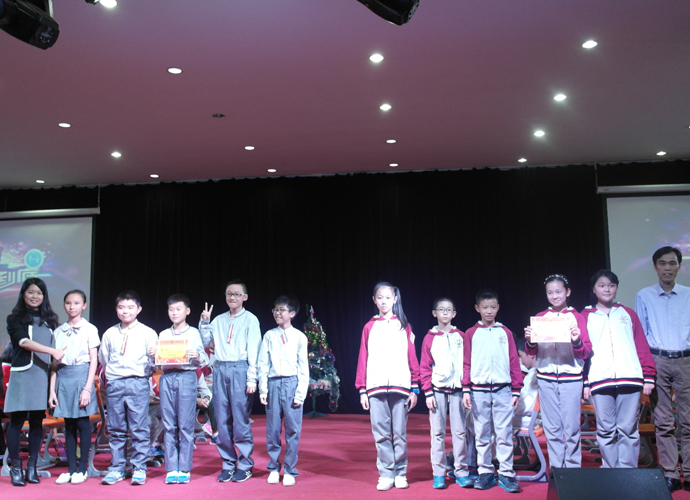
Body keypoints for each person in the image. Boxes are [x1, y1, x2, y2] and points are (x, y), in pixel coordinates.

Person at [581, 269, 655, 468]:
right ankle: (611, 472)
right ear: (594, 289)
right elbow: (583, 352)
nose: (607, 289)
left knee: (628, 429)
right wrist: (585, 381)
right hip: (600, 380)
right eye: (602, 285)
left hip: (630, 378)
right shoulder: (585, 316)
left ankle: (627, 473)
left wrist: (648, 376)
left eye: (611, 285)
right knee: (605, 430)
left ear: (616, 288)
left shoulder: (628, 313)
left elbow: (641, 345)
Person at [355, 282, 420, 491]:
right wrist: (362, 389)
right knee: (381, 433)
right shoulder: (369, 326)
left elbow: (412, 356)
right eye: (380, 297)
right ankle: (386, 473)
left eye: (388, 297)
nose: (384, 301)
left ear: (395, 299)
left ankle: (400, 473)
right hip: (375, 386)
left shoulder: (404, 326)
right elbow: (363, 358)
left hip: (401, 386)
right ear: (374, 300)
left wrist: (415, 387)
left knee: (399, 433)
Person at [635, 246, 690, 492]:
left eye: (672, 263)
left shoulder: (688, 295)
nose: (668, 268)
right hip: (657, 359)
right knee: (663, 421)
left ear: (679, 266)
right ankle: (670, 472)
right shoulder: (644, 295)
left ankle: (689, 472)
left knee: (688, 420)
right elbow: (642, 334)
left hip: (686, 359)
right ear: (655, 267)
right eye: (663, 263)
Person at [524, 274, 591, 469]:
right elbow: (531, 351)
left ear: (568, 292)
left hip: (571, 378)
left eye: (559, 291)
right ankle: (557, 471)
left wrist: (576, 340)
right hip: (546, 378)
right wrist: (530, 340)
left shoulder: (577, 317)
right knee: (552, 427)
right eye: (550, 292)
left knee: (571, 428)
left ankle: (573, 471)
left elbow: (585, 351)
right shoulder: (540, 318)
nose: (554, 296)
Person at [199, 280, 261, 483]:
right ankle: (228, 463)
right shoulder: (218, 320)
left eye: (236, 294)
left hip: (240, 369)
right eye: (229, 294)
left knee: (240, 419)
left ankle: (245, 464)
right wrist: (204, 322)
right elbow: (207, 342)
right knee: (221, 419)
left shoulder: (250, 319)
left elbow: (254, 350)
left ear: (245, 297)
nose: (232, 297)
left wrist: (252, 378)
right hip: (220, 369)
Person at [4, 277, 64, 487]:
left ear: (44, 296)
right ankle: (16, 468)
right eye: (31, 292)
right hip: (23, 374)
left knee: (37, 422)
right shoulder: (15, 318)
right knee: (17, 421)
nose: (35, 296)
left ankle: (32, 467)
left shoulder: (50, 320)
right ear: (23, 294)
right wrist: (52, 351)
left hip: (42, 375)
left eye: (39, 293)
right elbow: (23, 342)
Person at [462, 289, 523, 493]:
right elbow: (466, 363)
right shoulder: (471, 333)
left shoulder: (505, 333)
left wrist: (516, 389)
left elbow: (514, 362)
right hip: (478, 390)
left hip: (503, 389)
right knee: (482, 433)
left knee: (504, 433)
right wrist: (466, 389)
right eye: (485, 307)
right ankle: (485, 471)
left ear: (498, 308)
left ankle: (506, 473)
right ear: (477, 308)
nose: (489, 311)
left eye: (493, 307)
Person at [98, 290, 158, 486]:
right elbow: (104, 359)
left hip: (137, 382)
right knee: (116, 428)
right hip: (115, 383)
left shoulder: (148, 333)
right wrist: (114, 376)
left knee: (139, 427)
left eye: (130, 307)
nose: (126, 311)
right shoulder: (109, 333)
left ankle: (139, 467)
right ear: (116, 309)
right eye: (121, 307)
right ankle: (117, 468)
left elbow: (154, 361)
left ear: (138, 309)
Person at [149, 293, 208, 484]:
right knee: (169, 424)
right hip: (167, 377)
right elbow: (157, 363)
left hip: (187, 377)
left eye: (178, 309)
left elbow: (204, 361)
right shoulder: (164, 335)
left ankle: (184, 467)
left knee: (185, 424)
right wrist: (152, 355)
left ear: (187, 311)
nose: (174, 313)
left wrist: (197, 355)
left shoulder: (194, 333)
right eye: (171, 309)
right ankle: (171, 467)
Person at [420, 297, 472, 489]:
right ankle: (439, 473)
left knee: (460, 432)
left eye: (448, 310)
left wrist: (466, 388)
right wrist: (428, 392)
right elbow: (425, 367)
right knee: (437, 433)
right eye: (441, 309)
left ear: (454, 314)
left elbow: (466, 364)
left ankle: (461, 471)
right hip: (437, 391)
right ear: (434, 313)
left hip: (458, 390)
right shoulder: (429, 338)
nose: (445, 313)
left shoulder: (461, 336)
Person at [49, 290, 100, 484]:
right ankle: (71, 468)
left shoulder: (90, 329)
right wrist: (52, 390)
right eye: (68, 303)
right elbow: (53, 365)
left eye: (77, 303)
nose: (72, 307)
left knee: (82, 423)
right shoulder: (58, 331)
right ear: (64, 305)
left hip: (81, 376)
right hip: (63, 377)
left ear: (84, 305)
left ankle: (82, 468)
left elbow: (94, 361)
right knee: (68, 424)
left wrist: (87, 388)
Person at [258, 295, 309, 487]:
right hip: (273, 383)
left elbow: (303, 367)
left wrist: (300, 393)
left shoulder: (299, 337)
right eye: (275, 310)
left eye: (282, 310)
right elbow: (263, 363)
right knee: (272, 429)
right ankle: (273, 467)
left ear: (292, 314)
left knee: (293, 429)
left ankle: (289, 469)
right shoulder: (269, 335)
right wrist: (263, 389)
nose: (277, 313)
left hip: (292, 383)